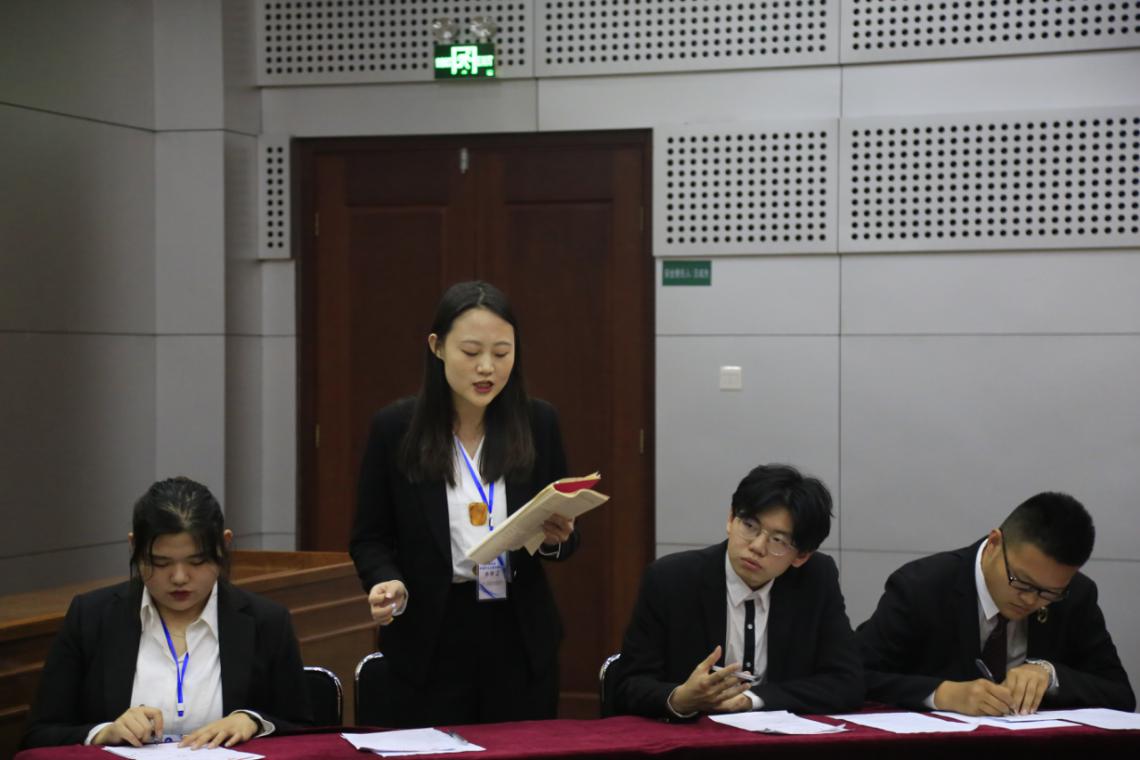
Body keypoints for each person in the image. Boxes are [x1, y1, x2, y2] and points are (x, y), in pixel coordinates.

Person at [350, 280, 580, 727]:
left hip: (518, 631)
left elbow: (565, 537)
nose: (487, 367)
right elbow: (370, 537)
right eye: (471, 352)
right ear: (436, 347)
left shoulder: (538, 422)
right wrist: (386, 581)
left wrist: (556, 539)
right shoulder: (395, 428)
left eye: (502, 352)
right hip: (431, 632)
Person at [21, 477, 312, 749]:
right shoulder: (92, 617)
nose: (179, 578)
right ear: (134, 547)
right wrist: (104, 732)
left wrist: (254, 722)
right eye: (160, 563)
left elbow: (306, 731)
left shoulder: (266, 621)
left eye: (197, 562)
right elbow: (38, 735)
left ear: (224, 546)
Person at [611, 464, 863, 719]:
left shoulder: (816, 579)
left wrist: (752, 699)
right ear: (731, 519)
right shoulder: (670, 580)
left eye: (778, 540)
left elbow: (847, 682)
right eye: (750, 526)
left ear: (801, 556)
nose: (757, 547)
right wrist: (680, 699)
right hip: (691, 734)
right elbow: (628, 685)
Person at [857, 492, 1135, 715]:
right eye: (1022, 582)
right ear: (994, 543)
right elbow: (857, 675)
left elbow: (1120, 694)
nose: (1031, 600)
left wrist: (1050, 675)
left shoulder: (1077, 595)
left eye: (1049, 593)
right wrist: (942, 694)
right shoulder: (922, 586)